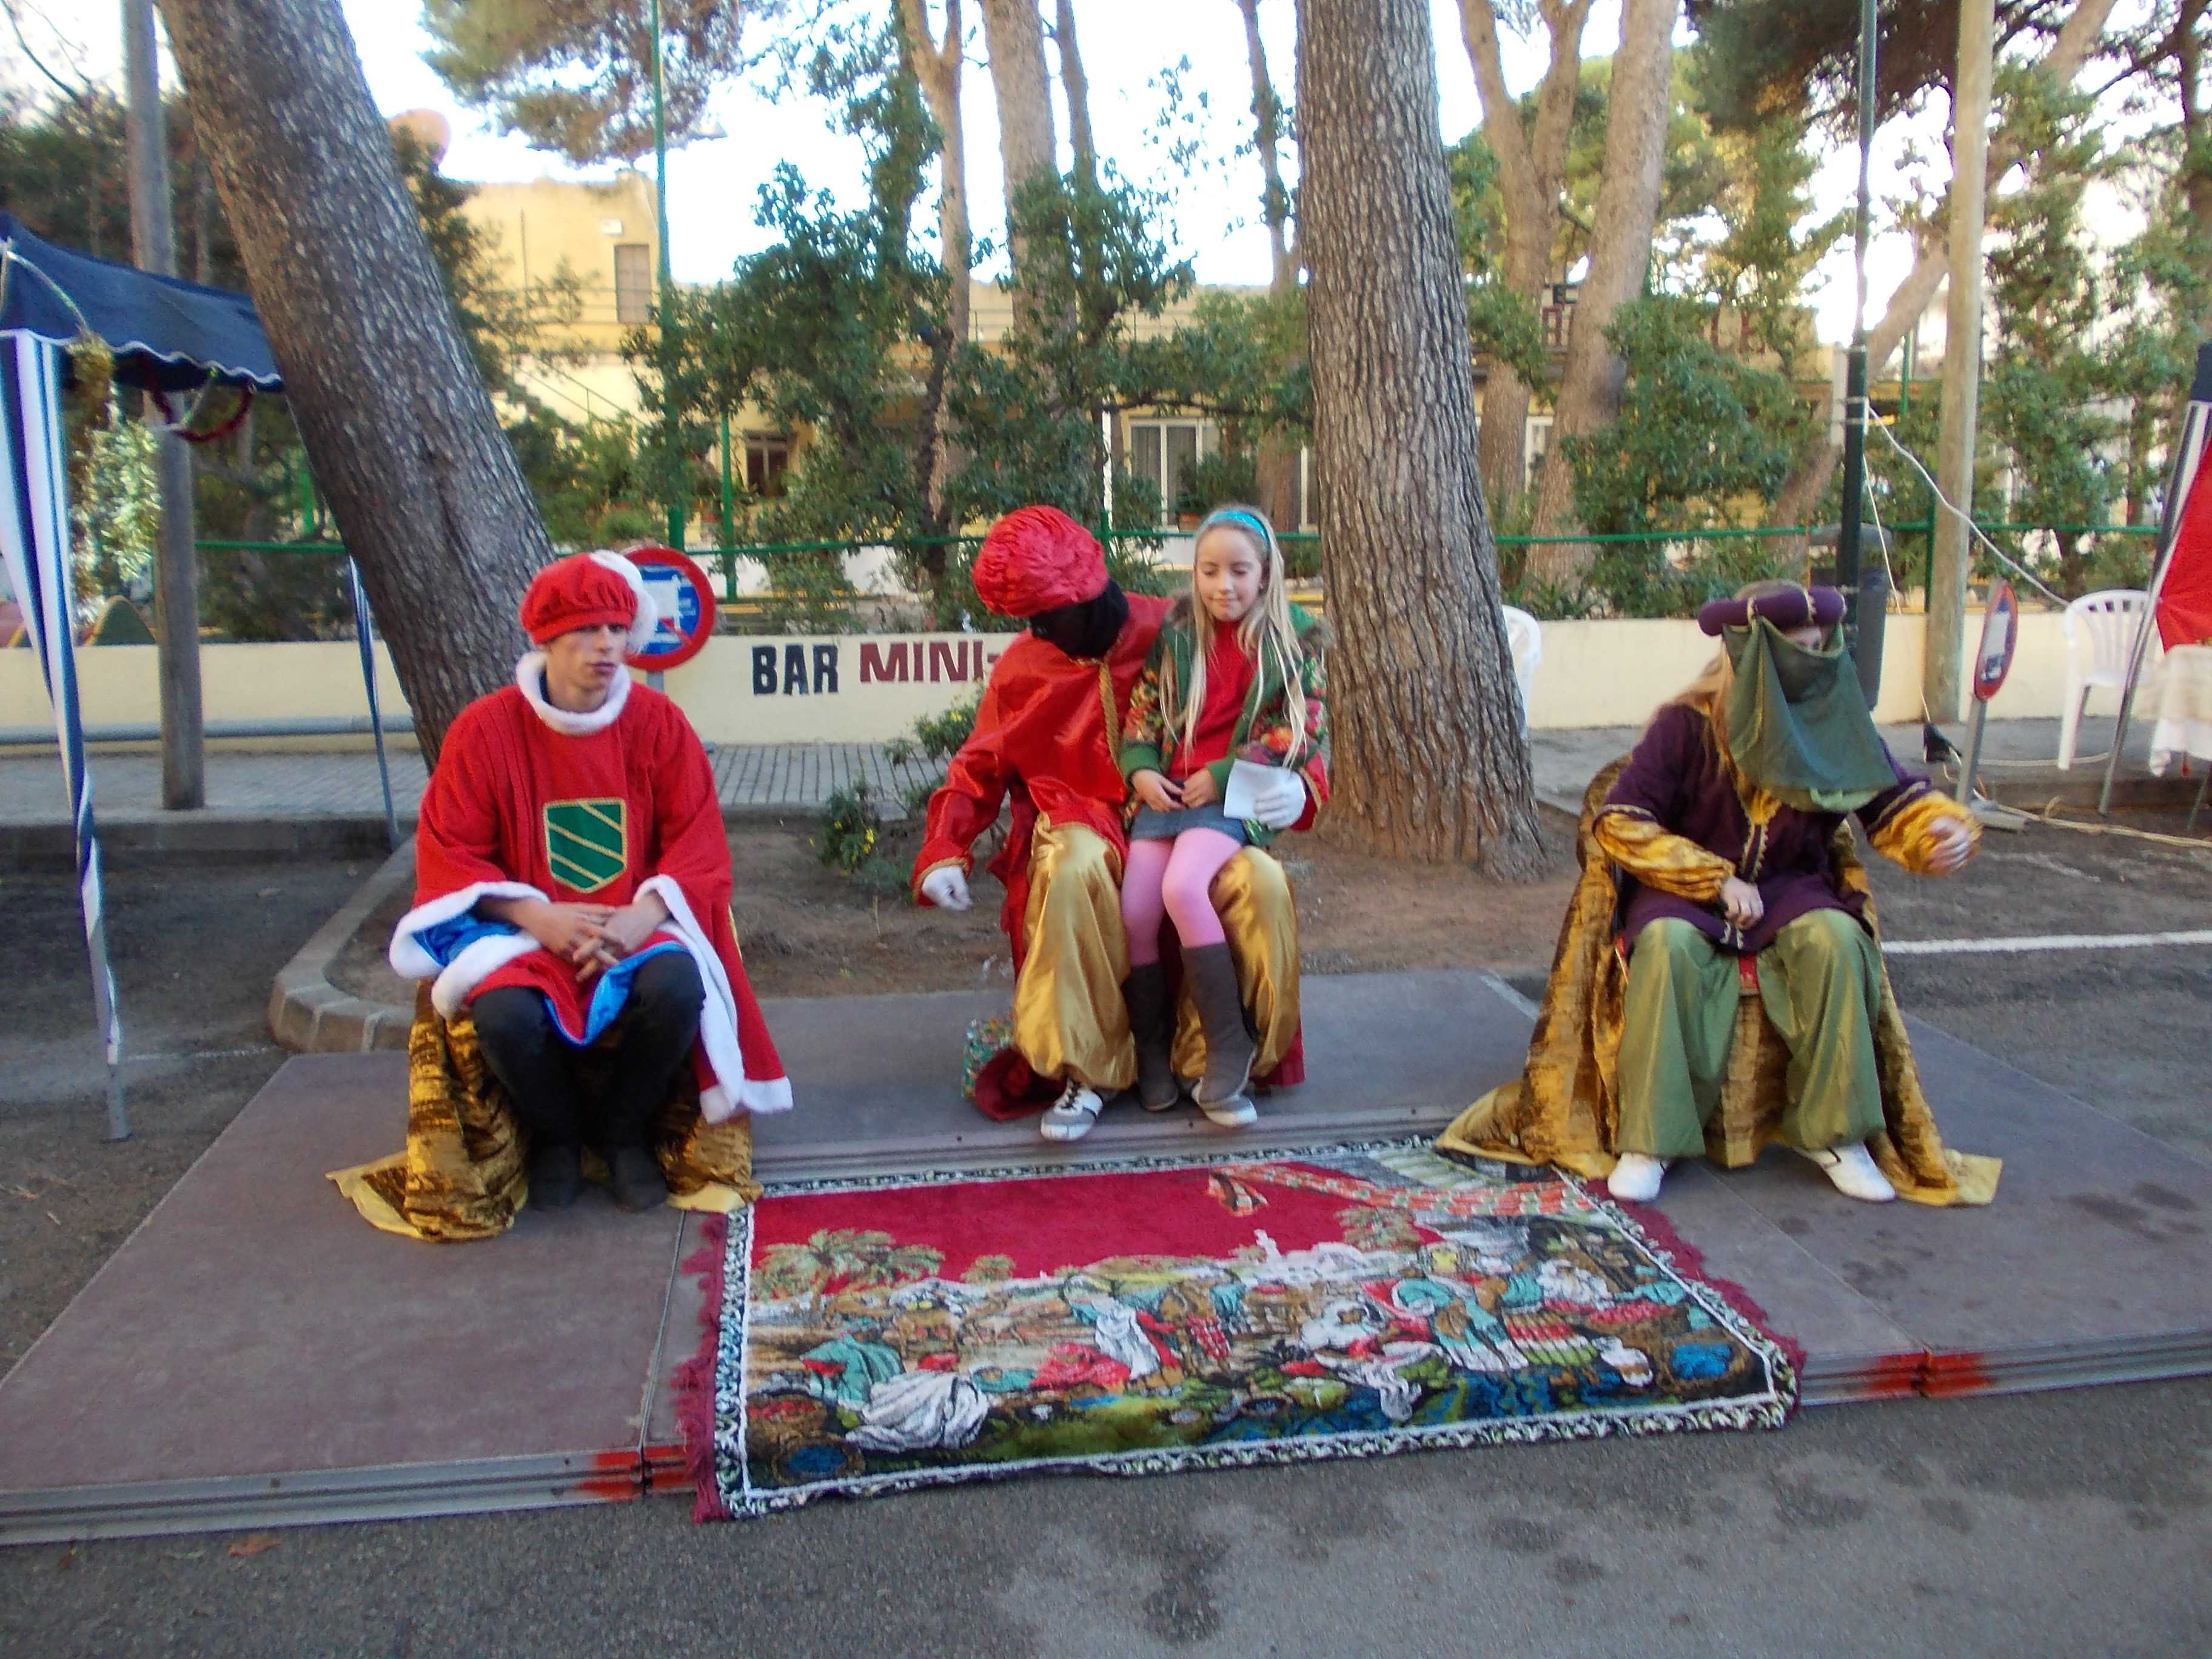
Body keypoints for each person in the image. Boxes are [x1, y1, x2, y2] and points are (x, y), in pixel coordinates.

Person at [1439, 580, 2001, 1210]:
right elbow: (1619, 821)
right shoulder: (1686, 727)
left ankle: (1838, 1136)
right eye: (1799, 650)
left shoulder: (1836, 732)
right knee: (1667, 946)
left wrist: (1939, 830)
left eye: (1821, 647)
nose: (1814, 663)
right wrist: (1712, 878)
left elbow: (1896, 800)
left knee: (1837, 940)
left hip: (1791, 887)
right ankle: (1650, 1142)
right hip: (1685, 892)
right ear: (1753, 655)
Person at [335, 552, 788, 1235]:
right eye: (587, 629)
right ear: (546, 637)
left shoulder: (660, 725)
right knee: (503, 1016)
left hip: (638, 927)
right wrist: (536, 916)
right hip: (523, 934)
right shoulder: (484, 731)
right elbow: (450, 852)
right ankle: (558, 1137)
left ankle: (623, 1133)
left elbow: (698, 842)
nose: (607, 645)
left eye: (617, 628)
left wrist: (641, 917)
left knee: (675, 989)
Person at [911, 505, 1308, 1143]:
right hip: (1083, 818)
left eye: (1048, 613)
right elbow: (978, 764)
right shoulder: (1024, 667)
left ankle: (1214, 1058)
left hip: (1194, 813)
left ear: (1087, 591)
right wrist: (944, 846)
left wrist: (1296, 787)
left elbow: (1280, 710)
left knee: (1257, 880)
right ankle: (1089, 1068)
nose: (1038, 630)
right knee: (1071, 866)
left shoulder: (1179, 630)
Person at [1118, 506, 1329, 1127]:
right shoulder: (1179, 634)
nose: (1223, 585)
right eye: (1209, 571)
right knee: (1136, 909)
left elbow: (1300, 730)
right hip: (1167, 794)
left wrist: (1223, 773)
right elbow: (1143, 710)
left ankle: (1228, 1043)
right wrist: (1140, 769)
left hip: (1227, 798)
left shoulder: (1292, 643)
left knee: (1183, 887)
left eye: (1239, 571)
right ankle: (1153, 1049)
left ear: (1265, 573)